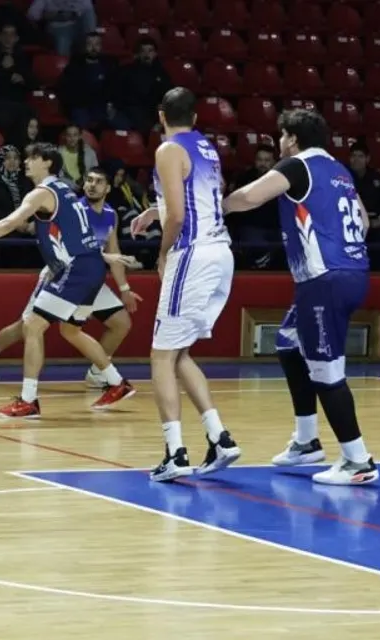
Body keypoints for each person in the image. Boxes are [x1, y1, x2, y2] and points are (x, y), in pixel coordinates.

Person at [222, 109, 378, 485]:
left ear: (292, 138)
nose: (280, 142)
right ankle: (307, 441)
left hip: (325, 279)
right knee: (289, 344)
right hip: (351, 272)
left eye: (281, 136)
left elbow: (250, 197)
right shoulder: (340, 171)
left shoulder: (297, 165)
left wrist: (216, 207)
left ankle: (358, 460)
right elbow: (363, 222)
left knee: (326, 371)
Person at [0, 143, 137, 419]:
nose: (26, 161)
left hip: (74, 269)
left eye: (32, 157)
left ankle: (28, 401)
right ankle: (116, 382)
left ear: (47, 163)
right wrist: (104, 258)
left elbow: (9, 223)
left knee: (32, 325)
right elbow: (77, 236)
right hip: (91, 267)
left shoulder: (43, 193)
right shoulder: (66, 190)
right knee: (70, 330)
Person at [128, 87, 240, 482]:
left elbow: (177, 215)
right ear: (194, 117)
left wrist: (162, 253)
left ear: (161, 116)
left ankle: (175, 453)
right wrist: (152, 211)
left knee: (160, 357)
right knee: (178, 354)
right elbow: (199, 199)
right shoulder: (207, 147)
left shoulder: (168, 149)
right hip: (221, 253)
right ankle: (219, 437)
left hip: (192, 254)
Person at [0, 167, 143, 386]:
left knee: (120, 323)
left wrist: (125, 288)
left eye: (98, 181)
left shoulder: (111, 214)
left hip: (88, 278)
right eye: (89, 180)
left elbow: (114, 251)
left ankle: (98, 372)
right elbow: (69, 246)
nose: (92, 185)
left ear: (108, 188)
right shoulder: (72, 207)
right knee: (26, 326)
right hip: (61, 273)